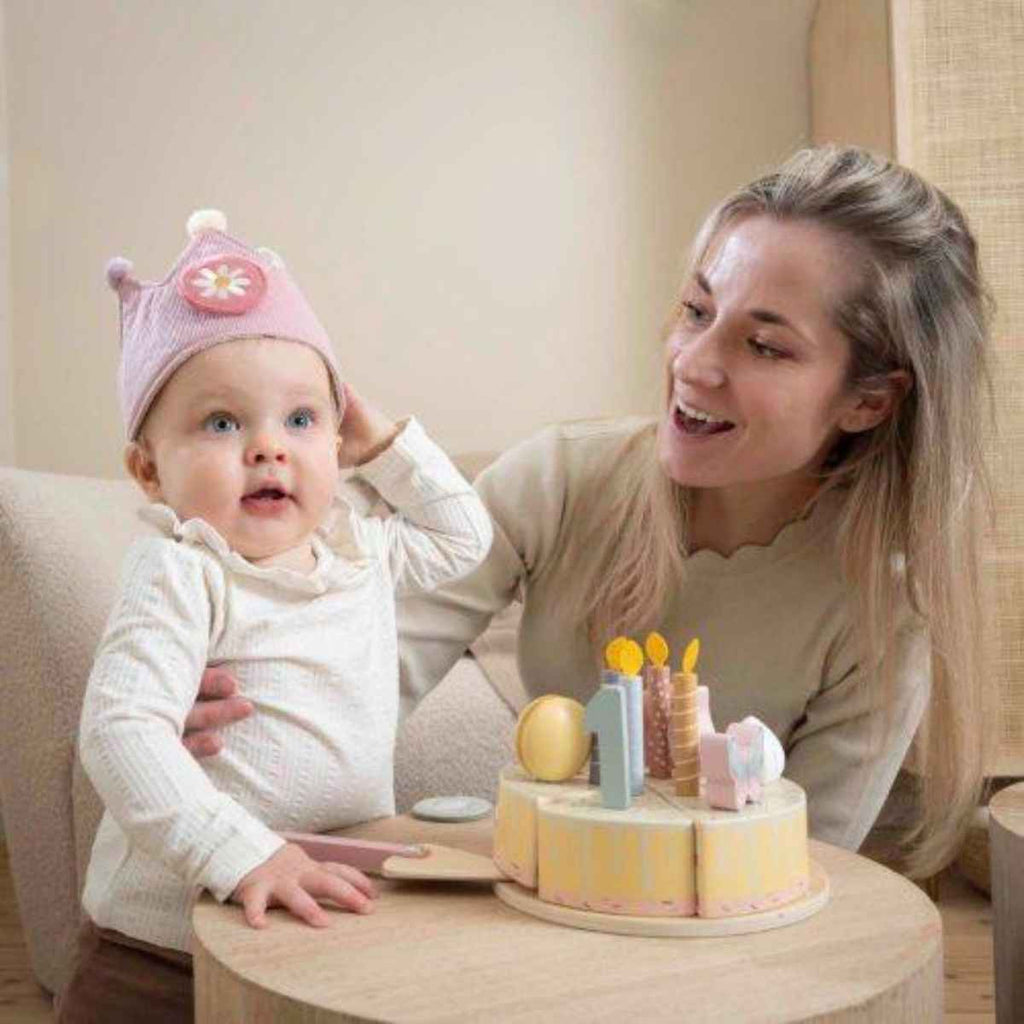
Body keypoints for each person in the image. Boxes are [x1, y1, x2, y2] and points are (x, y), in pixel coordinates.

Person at [185, 145, 991, 881]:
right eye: (697, 310)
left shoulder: (883, 615)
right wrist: (252, 708)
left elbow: (801, 870)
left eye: (766, 346)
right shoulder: (561, 479)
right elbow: (363, 672)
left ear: (869, 399)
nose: (695, 364)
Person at [59, 211, 492, 1024]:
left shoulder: (359, 552)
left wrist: (386, 443)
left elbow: (462, 535)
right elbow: (121, 731)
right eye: (223, 423)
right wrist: (239, 852)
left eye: (301, 419)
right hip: (161, 949)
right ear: (148, 471)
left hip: (312, 915)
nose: (270, 447)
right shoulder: (183, 569)